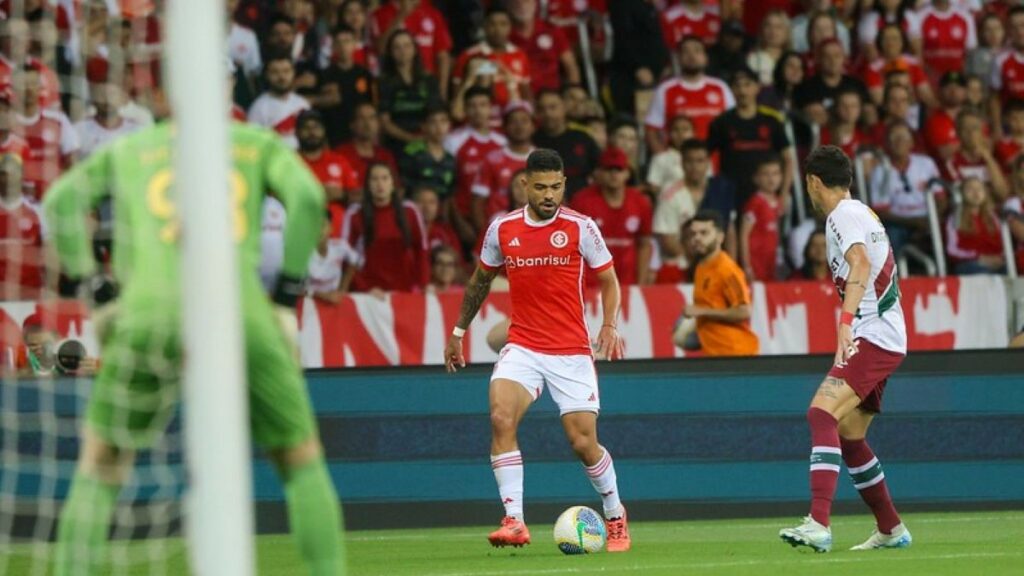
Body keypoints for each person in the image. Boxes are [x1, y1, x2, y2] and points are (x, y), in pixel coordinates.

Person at [44, 122, 345, 575]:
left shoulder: (131, 148)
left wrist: (99, 296)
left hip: (148, 311)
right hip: (238, 308)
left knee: (101, 467)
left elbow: (61, 202)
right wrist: (285, 298)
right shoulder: (254, 143)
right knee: (300, 460)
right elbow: (307, 199)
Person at [443, 148, 631, 552]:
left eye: (557, 187)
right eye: (541, 186)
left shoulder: (582, 228)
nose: (549, 195)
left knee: (582, 443)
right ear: (525, 185)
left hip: (570, 350)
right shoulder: (503, 229)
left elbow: (610, 281)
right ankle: (514, 521)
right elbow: (479, 280)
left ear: (565, 185)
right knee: (500, 416)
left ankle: (615, 514)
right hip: (523, 345)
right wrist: (459, 330)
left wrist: (610, 324)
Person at [780, 145, 911, 554]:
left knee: (821, 412)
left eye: (809, 187)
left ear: (814, 182)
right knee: (850, 435)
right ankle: (891, 528)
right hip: (885, 333)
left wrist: (845, 321)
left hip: (872, 334)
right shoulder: (863, 212)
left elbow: (859, 263)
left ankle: (818, 522)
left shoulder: (841, 215)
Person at [707, 66, 793, 207]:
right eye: (737, 86)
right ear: (732, 90)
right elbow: (706, 157)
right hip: (731, 194)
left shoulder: (772, 121)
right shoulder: (721, 122)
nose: (742, 91)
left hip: (766, 194)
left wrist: (783, 193)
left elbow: (788, 160)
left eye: (747, 85)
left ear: (757, 87)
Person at [341, 162, 429, 294]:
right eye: (374, 179)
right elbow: (345, 257)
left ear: (393, 183)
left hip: (404, 292)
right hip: (369, 294)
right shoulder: (354, 214)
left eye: (384, 178)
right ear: (367, 185)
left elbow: (421, 251)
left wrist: (424, 285)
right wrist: (365, 288)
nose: (380, 184)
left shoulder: (410, 211)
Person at [571, 147, 653, 286]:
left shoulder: (640, 202)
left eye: (619, 170)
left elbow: (644, 244)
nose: (614, 174)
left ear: (627, 173)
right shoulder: (582, 201)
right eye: (609, 170)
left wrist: (641, 282)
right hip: (590, 285)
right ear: (599, 173)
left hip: (627, 283)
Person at [681, 210, 759, 356]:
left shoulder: (727, 270)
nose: (697, 238)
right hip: (715, 353)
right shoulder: (701, 266)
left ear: (720, 237)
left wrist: (702, 311)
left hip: (735, 353)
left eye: (704, 233)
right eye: (693, 234)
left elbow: (744, 311)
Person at [645, 35, 735, 151]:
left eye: (697, 51)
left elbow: (734, 125)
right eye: (686, 51)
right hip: (677, 165)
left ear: (706, 58)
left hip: (716, 163)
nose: (692, 56)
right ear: (678, 58)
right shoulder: (665, 89)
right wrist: (663, 158)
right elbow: (651, 129)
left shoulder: (720, 87)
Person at [869, 121, 945, 257]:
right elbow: (881, 211)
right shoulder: (880, 170)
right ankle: (897, 276)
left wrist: (932, 219)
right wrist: (915, 223)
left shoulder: (926, 163)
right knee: (891, 236)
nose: (899, 142)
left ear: (911, 142)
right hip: (899, 223)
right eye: (894, 137)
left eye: (903, 137)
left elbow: (941, 199)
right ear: (887, 143)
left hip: (928, 218)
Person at [453, 7, 531, 112]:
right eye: (492, 24)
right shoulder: (469, 55)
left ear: (510, 27)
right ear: (484, 27)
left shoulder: (520, 55)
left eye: (503, 24)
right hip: (481, 117)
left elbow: (526, 92)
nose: (498, 29)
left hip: (512, 118)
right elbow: (457, 94)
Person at [378, 29, 443, 155]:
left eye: (407, 46)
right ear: (390, 52)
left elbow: (436, 114)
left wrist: (426, 138)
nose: (403, 51)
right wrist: (411, 139)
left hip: (427, 141)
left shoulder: (429, 80)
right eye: (397, 47)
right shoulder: (384, 82)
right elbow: (384, 121)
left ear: (414, 49)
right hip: (396, 144)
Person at [472, 102, 534, 231]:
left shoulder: (543, 160)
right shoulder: (491, 159)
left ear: (533, 126)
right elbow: (478, 203)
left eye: (524, 120)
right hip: (499, 230)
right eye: (513, 121)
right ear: (505, 127)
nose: (519, 126)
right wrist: (485, 235)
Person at [532, 89, 600, 197]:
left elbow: (599, 171)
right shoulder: (532, 142)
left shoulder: (583, 138)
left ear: (564, 108)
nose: (548, 113)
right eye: (542, 109)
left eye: (553, 107)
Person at [508, 0, 580, 93]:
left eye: (527, 2)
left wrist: (574, 91)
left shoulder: (551, 30)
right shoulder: (503, 35)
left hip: (552, 95)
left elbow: (571, 66)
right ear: (509, 6)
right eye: (517, 2)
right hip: (517, 96)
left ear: (535, 4)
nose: (522, 6)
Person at [247, 53, 310, 149]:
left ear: (293, 73)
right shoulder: (258, 108)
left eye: (286, 71)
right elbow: (254, 144)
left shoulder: (302, 104)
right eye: (275, 72)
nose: (281, 77)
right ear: (267, 75)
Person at [740, 156, 788, 282]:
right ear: (756, 178)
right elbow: (744, 235)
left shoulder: (778, 202)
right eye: (766, 174)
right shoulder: (755, 203)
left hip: (771, 261)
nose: (771, 179)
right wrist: (747, 266)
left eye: (775, 173)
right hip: (756, 262)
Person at [945, 176, 1006, 274]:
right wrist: (978, 257)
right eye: (970, 189)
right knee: (982, 273)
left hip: (996, 260)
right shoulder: (955, 218)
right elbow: (952, 250)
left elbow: (1004, 243)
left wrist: (999, 257)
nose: (976, 192)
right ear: (961, 194)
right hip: (970, 263)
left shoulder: (993, 217)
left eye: (979, 189)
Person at [400, 106, 457, 202]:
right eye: (433, 122)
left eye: (443, 121)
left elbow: (449, 195)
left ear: (449, 125)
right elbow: (403, 188)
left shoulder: (451, 159)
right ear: (424, 126)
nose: (439, 127)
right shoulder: (412, 153)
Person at [307, 210, 349, 304]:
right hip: (310, 304)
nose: (319, 230)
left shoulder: (340, 247)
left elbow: (355, 261)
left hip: (334, 303)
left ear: (331, 228)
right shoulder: (302, 253)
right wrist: (323, 296)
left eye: (322, 225)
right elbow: (296, 288)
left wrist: (343, 289)